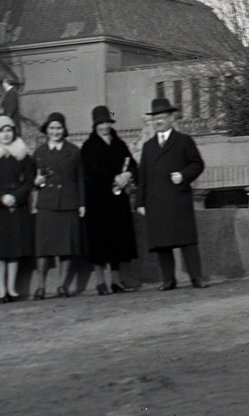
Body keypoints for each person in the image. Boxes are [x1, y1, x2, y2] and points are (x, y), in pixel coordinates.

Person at [137, 96, 207, 291]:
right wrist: (139, 202)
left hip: (178, 198)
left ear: (171, 118)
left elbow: (198, 164)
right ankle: (168, 280)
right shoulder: (148, 146)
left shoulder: (184, 141)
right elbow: (142, 175)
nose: (158, 121)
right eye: (155, 118)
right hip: (156, 201)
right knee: (162, 243)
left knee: (187, 240)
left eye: (162, 117)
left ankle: (196, 277)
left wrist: (183, 175)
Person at [80, 105, 139, 295]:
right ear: (95, 125)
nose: (105, 126)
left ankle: (116, 281)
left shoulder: (119, 144)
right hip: (98, 201)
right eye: (101, 123)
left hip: (117, 201)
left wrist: (128, 175)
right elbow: (90, 173)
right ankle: (100, 282)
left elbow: (133, 165)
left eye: (107, 122)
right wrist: (114, 177)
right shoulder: (89, 147)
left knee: (117, 241)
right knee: (99, 242)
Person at [0, 116, 34, 302]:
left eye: (9, 130)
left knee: (14, 249)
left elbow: (29, 181)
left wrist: (16, 197)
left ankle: (12, 288)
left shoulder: (23, 156)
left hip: (17, 205)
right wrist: (2, 198)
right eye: (2, 131)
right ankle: (1, 290)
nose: (6, 134)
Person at [32, 112, 85, 298]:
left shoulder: (73, 151)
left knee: (66, 247)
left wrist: (81, 203)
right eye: (52, 128)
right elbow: (32, 179)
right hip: (47, 204)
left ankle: (62, 285)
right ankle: (41, 286)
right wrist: (36, 181)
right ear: (46, 130)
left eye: (59, 128)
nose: (55, 132)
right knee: (43, 249)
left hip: (68, 203)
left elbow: (80, 179)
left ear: (64, 130)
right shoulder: (39, 152)